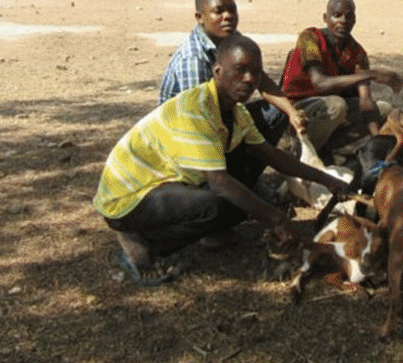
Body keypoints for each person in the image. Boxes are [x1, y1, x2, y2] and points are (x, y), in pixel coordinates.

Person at [94, 35, 346, 286]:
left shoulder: (236, 112)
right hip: (127, 197)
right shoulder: (196, 110)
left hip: (160, 184)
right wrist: (275, 218)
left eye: (256, 73)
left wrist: (329, 180)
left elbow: (271, 155)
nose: (249, 79)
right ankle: (140, 242)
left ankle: (162, 233)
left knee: (238, 202)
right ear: (217, 71)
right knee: (218, 204)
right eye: (239, 70)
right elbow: (218, 182)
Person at [159, 0, 305, 181]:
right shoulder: (193, 60)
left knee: (277, 112)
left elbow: (262, 79)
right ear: (200, 18)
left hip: (215, 118)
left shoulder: (231, 38)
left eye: (232, 10)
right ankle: (227, 181)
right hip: (185, 135)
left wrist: (292, 112)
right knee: (239, 132)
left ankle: (246, 179)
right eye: (218, 11)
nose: (227, 16)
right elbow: (196, 120)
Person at [282, 0, 403, 161]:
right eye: (337, 15)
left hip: (328, 110)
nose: (343, 21)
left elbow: (365, 100)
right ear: (326, 18)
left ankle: (330, 148)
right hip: (297, 106)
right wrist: (372, 74)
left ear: (354, 21)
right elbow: (319, 83)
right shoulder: (310, 38)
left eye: (349, 16)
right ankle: (303, 155)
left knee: (384, 110)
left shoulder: (357, 53)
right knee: (337, 105)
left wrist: (376, 138)